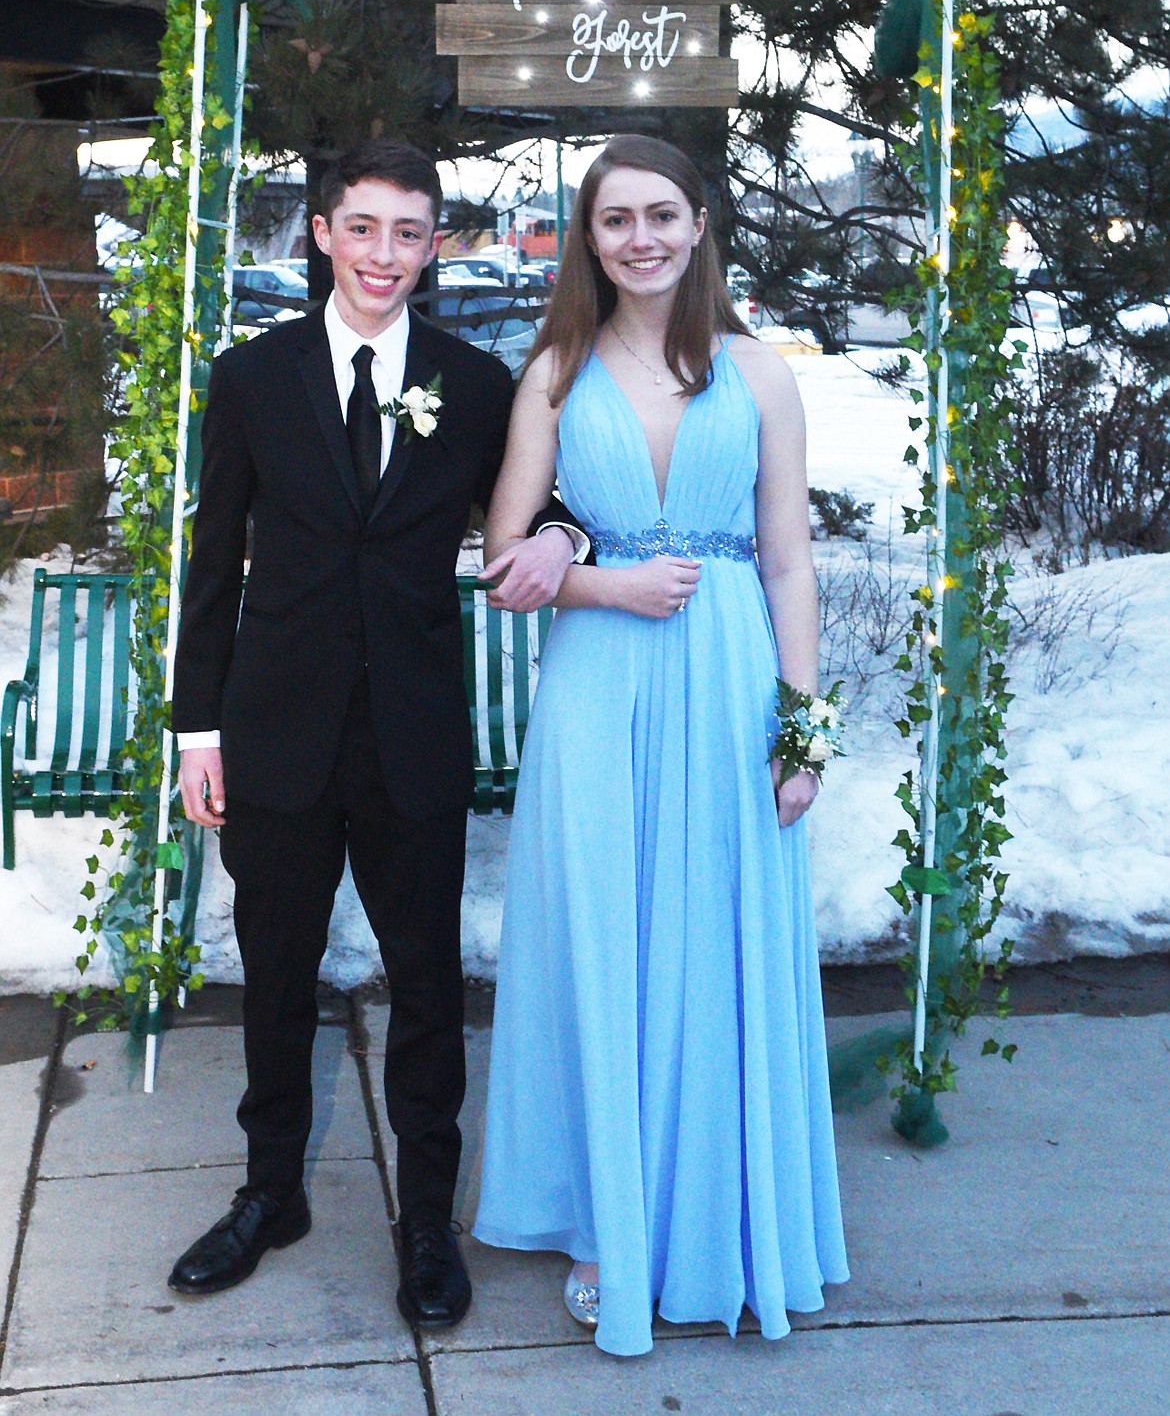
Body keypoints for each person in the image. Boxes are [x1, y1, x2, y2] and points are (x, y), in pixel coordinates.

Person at [167, 140, 584, 1328]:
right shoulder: (252, 377)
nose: (384, 255)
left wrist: (568, 541)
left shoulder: (475, 379)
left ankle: (424, 1221)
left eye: (409, 232)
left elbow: (534, 507)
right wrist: (200, 728)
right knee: (276, 980)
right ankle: (269, 1192)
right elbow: (212, 568)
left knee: (428, 988)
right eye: (363, 228)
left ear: (435, 244)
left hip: (411, 738)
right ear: (320, 232)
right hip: (276, 733)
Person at [472, 134, 848, 1356]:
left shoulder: (761, 372)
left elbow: (790, 560)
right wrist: (601, 583)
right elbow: (505, 557)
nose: (639, 237)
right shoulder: (553, 373)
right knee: (607, 942)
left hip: (734, 681)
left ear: (698, 227)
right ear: (589, 237)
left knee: (714, 936)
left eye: (661, 215)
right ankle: (605, 1217)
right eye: (615, 218)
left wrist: (804, 731)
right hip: (600, 690)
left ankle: (728, 1214)